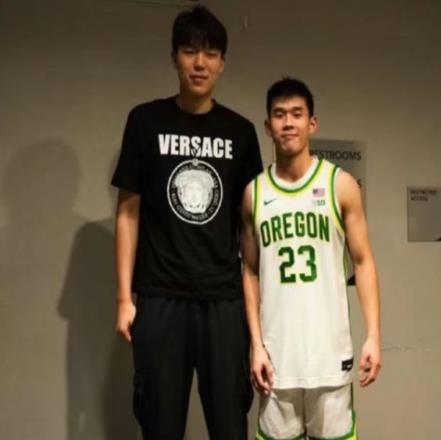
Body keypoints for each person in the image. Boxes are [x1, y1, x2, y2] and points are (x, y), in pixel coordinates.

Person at [112, 6, 262, 439]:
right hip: (161, 297)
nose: (200, 63)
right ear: (174, 56)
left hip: (224, 300)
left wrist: (256, 307)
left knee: (230, 426)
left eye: (210, 53)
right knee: (159, 426)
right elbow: (128, 211)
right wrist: (124, 298)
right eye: (190, 51)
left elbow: (249, 226)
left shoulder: (241, 132)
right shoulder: (145, 121)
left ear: (223, 62)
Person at [241, 78, 381, 440]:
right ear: (268, 126)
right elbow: (250, 271)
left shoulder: (340, 185)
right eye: (279, 114)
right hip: (277, 362)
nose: (288, 123)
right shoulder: (254, 194)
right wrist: (256, 345)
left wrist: (373, 335)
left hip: (329, 359)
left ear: (312, 123)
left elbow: (363, 262)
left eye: (297, 114)